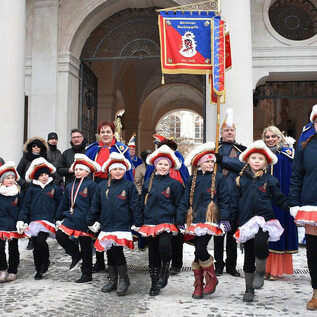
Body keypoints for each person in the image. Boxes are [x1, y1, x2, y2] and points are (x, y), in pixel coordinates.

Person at [231, 140, 289, 303]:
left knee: (261, 244)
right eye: (254, 158)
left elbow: (279, 198)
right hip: (246, 221)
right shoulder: (241, 180)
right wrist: (230, 219)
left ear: (266, 162)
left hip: (265, 220)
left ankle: (260, 271)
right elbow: (235, 201)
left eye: (260, 159)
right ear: (248, 160)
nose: (256, 161)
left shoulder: (270, 180)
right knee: (249, 255)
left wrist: (291, 206)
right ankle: (249, 289)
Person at [177, 142, 231, 299]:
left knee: (200, 249)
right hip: (194, 220)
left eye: (212, 161)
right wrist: (181, 219)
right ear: (200, 163)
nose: (211, 164)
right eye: (207, 161)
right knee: (197, 252)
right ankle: (198, 284)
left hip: (209, 221)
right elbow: (185, 200)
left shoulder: (219, 178)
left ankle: (211, 279)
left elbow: (225, 200)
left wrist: (225, 219)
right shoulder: (192, 179)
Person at [87, 152, 142, 296]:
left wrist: (137, 222)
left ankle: (124, 278)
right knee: (109, 252)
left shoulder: (129, 186)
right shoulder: (102, 186)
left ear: (125, 171)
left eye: (121, 169)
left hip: (121, 225)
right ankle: (113, 279)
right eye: (115, 169)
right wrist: (91, 220)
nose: (118, 171)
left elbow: (134, 205)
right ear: (109, 170)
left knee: (117, 252)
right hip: (106, 225)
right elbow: (95, 205)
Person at [86, 121, 133, 273]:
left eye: (108, 132)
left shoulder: (122, 149)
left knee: (110, 223)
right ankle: (99, 261)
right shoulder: (92, 149)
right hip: (95, 186)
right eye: (103, 132)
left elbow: (129, 171)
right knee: (95, 224)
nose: (105, 134)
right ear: (99, 133)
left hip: (115, 186)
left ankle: (113, 260)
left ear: (114, 133)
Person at [139, 145, 184, 296]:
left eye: (166, 164)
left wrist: (179, 221)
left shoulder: (175, 184)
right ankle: (154, 284)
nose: (163, 167)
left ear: (170, 167)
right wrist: (140, 220)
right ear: (155, 165)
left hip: (167, 222)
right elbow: (142, 202)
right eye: (160, 164)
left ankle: (165, 270)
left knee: (164, 247)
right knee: (153, 253)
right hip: (150, 222)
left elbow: (179, 204)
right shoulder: (147, 183)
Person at [145, 135, 190, 275]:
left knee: (176, 240)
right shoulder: (153, 169)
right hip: (156, 211)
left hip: (174, 208)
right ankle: (156, 265)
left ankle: (176, 264)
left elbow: (186, 184)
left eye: (170, 149)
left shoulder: (179, 166)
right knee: (156, 242)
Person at [55, 154, 100, 284]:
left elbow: (95, 204)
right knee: (60, 235)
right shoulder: (69, 186)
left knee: (86, 247)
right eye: (76, 169)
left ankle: (87, 274)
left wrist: (94, 220)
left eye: (81, 169)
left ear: (87, 172)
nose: (78, 172)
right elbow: (64, 203)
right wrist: (58, 218)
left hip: (85, 220)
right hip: (71, 218)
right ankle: (75, 254)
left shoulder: (91, 185)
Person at [262, 126, 298, 280]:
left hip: (280, 199)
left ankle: (275, 270)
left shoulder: (286, 155)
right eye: (267, 137)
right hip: (263, 201)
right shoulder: (261, 155)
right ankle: (265, 268)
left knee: (278, 229)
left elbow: (290, 178)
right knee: (264, 233)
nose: (270, 139)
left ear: (279, 137)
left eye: (273, 137)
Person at [17, 157, 62, 280]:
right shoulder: (31, 190)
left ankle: (45, 262)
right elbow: (25, 206)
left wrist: (58, 219)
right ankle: (38, 269)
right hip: (34, 221)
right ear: (36, 177)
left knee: (40, 241)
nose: (44, 177)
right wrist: (21, 220)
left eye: (46, 174)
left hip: (47, 220)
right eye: (41, 175)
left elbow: (60, 205)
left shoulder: (55, 189)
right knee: (36, 245)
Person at [213, 108, 246, 277]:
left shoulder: (242, 150)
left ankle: (231, 266)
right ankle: (218, 265)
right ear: (221, 132)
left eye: (232, 130)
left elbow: (243, 166)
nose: (229, 133)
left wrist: (223, 160)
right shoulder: (214, 148)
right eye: (226, 130)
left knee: (232, 235)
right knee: (218, 234)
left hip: (235, 197)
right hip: (218, 197)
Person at [289, 131, 317, 311]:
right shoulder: (305, 147)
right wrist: (293, 202)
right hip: (312, 203)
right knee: (314, 250)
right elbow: (296, 176)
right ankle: (316, 290)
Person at [17, 136, 49, 251]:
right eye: (34, 146)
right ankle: (31, 239)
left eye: (38, 146)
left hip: (41, 190)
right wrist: (24, 184)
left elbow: (50, 173)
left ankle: (40, 236)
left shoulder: (45, 158)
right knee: (29, 213)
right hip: (27, 190)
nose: (36, 148)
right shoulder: (25, 158)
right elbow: (18, 173)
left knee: (39, 212)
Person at [0, 162, 24, 282]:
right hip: (1, 226)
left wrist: (21, 221)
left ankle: (13, 270)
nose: (10, 180)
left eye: (12, 178)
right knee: (0, 248)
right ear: (2, 180)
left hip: (14, 225)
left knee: (13, 248)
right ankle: (3, 269)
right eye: (7, 178)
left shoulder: (18, 193)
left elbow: (22, 208)